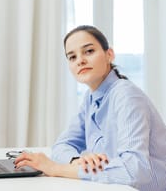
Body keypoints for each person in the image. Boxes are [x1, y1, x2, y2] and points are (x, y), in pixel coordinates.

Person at [15, 25, 166, 191]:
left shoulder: (126, 95)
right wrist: (76, 161)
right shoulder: (91, 98)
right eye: (72, 57)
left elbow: (135, 171)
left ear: (109, 55)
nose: (80, 60)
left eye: (88, 51)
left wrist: (56, 168)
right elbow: (61, 145)